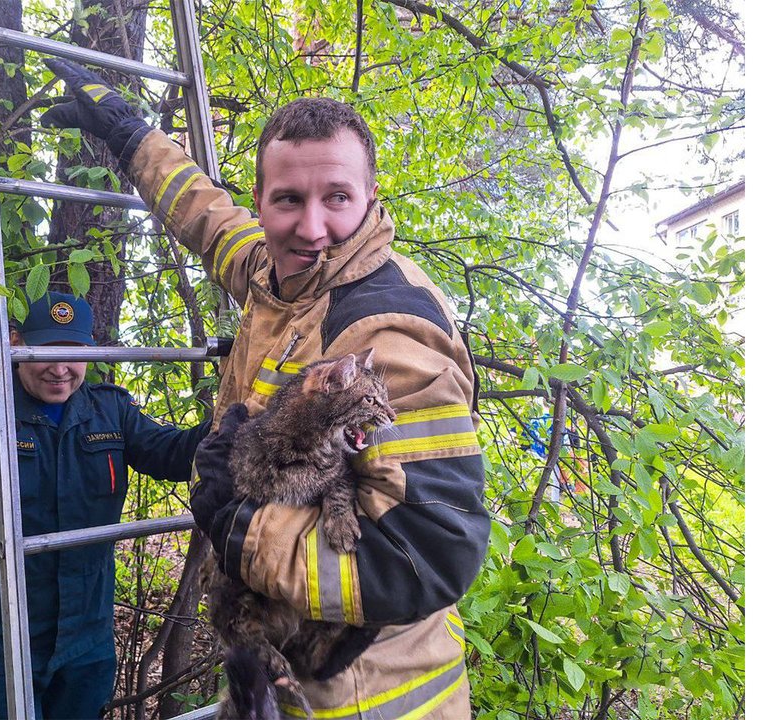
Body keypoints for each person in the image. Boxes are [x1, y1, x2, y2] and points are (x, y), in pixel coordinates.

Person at [41, 60, 491, 718]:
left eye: (336, 197)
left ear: (369, 198)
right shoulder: (279, 275)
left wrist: (243, 528)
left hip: (373, 700)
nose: (311, 228)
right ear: (264, 203)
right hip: (282, 686)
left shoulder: (388, 336)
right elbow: (207, 217)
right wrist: (128, 134)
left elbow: (428, 559)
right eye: (288, 200)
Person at [0, 291, 209, 719]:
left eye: (74, 352)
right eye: (46, 351)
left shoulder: (109, 409)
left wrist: (237, 417)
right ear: (17, 344)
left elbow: (175, 454)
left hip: (83, 644)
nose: (60, 369)